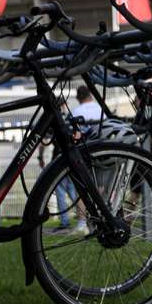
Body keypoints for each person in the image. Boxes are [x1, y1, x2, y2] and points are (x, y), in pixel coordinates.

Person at [59, 87, 105, 231]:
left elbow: (72, 134)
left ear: (78, 97)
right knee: (100, 188)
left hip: (83, 153)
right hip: (103, 151)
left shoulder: (76, 111)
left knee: (82, 189)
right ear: (90, 95)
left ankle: (82, 223)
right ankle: (100, 220)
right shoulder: (101, 110)